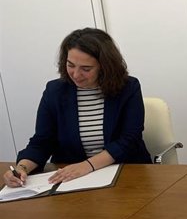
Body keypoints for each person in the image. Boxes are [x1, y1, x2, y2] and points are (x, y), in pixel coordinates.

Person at [3, 28, 151, 187]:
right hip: (73, 180)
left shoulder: (128, 87)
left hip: (126, 173)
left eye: (86, 69)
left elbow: (129, 140)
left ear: (105, 67)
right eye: (70, 65)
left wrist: (86, 166)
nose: (75, 74)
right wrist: (21, 168)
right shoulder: (54, 92)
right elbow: (42, 141)